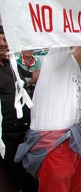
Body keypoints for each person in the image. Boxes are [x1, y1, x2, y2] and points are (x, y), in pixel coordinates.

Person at [15, 43, 81, 192]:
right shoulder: (59, 58)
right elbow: (62, 33)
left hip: (75, 143)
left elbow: (79, 108)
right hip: (55, 147)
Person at [0, 26, 39, 191]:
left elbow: (30, 78)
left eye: (5, 39)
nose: (4, 44)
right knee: (14, 181)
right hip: (7, 139)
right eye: (0, 39)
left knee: (31, 178)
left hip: (25, 135)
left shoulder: (11, 65)